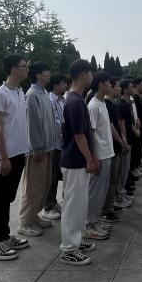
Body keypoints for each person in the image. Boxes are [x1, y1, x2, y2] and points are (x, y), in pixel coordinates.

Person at [0, 55, 31, 261]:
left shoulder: (20, 92)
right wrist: (3, 157)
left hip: (19, 153)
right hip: (4, 156)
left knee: (7, 198)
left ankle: (4, 236)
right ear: (13, 69)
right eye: (23, 66)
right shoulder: (0, 94)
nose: (27, 69)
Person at [59, 59, 97, 265]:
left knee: (79, 203)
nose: (92, 77)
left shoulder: (75, 99)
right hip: (75, 160)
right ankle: (69, 249)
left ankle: (76, 239)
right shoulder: (75, 101)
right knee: (73, 205)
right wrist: (89, 158)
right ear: (83, 74)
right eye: (90, 73)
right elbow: (79, 135)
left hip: (76, 159)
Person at [18, 62, 55, 237]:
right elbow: (32, 124)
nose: (49, 74)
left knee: (44, 185)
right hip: (37, 150)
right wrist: (36, 148)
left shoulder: (44, 93)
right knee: (33, 187)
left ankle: (34, 216)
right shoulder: (32, 95)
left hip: (47, 148)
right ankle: (25, 222)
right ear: (38, 74)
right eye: (46, 71)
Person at [85, 72, 116, 240]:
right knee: (94, 192)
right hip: (99, 155)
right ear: (100, 85)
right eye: (108, 83)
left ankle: (95, 219)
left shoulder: (102, 103)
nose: (111, 86)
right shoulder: (93, 106)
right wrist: (93, 157)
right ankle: (88, 224)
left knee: (102, 191)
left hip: (107, 153)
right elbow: (90, 133)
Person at [101, 77, 131, 223]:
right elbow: (112, 127)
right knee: (110, 180)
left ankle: (110, 204)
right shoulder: (106, 105)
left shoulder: (112, 104)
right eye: (117, 86)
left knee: (114, 178)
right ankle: (105, 210)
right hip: (111, 147)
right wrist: (122, 140)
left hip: (115, 147)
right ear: (111, 88)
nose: (120, 88)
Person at [40, 73, 68, 221]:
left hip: (60, 143)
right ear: (56, 85)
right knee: (50, 176)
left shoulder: (62, 100)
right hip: (52, 144)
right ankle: (47, 207)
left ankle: (53, 201)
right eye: (63, 83)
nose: (66, 86)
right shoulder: (49, 100)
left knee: (56, 175)